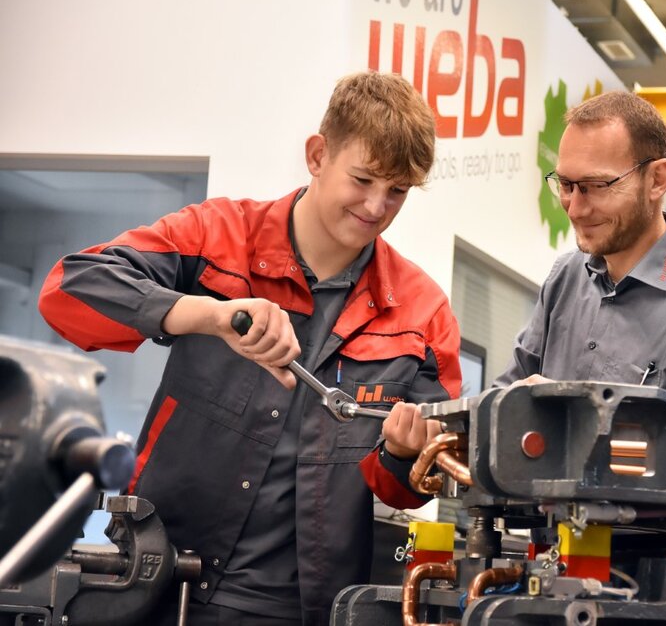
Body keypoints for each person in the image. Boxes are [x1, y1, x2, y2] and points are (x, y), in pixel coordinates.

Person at [38, 71, 459, 625]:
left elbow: (415, 487)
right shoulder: (218, 236)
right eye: (363, 179)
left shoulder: (422, 312)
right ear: (317, 155)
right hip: (157, 585)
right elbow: (68, 289)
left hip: (302, 608)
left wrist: (403, 455)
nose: (377, 206)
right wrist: (209, 316)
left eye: (398, 191)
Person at [494, 90, 666, 400]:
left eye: (596, 186)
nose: (575, 209)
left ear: (657, 180)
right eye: (566, 185)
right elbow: (501, 400)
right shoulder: (565, 278)